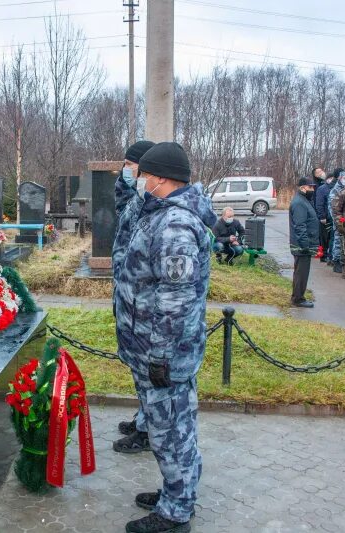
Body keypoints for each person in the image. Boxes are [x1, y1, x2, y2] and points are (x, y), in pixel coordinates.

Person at [114, 142, 215, 532]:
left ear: (158, 178)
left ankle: (176, 513)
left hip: (164, 355)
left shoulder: (175, 225)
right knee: (170, 427)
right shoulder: (161, 212)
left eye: (142, 174)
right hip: (152, 350)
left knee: (172, 430)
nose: (138, 180)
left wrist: (159, 356)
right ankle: (176, 492)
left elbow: (175, 300)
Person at [112, 140, 155, 454]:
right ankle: (144, 418)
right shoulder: (134, 195)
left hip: (144, 304)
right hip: (129, 299)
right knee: (138, 371)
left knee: (147, 372)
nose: (125, 169)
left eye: (131, 164)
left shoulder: (152, 200)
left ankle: (148, 429)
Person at [289, 177, 320, 307]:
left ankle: (298, 296)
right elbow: (300, 225)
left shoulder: (305, 200)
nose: (312, 189)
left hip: (304, 243)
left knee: (302, 272)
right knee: (301, 273)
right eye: (310, 187)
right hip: (301, 245)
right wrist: (305, 244)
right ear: (302, 188)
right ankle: (298, 299)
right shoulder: (299, 203)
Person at [327, 170, 345, 273]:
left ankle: (344, 262)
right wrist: (339, 221)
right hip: (339, 222)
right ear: (340, 178)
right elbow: (333, 209)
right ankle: (336, 262)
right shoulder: (335, 191)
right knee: (338, 242)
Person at [315, 169, 338, 265]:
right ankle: (323, 255)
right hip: (325, 217)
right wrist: (322, 216)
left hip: (331, 217)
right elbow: (319, 204)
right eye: (330, 178)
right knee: (324, 238)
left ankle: (329, 255)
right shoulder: (322, 189)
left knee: (330, 238)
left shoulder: (334, 188)